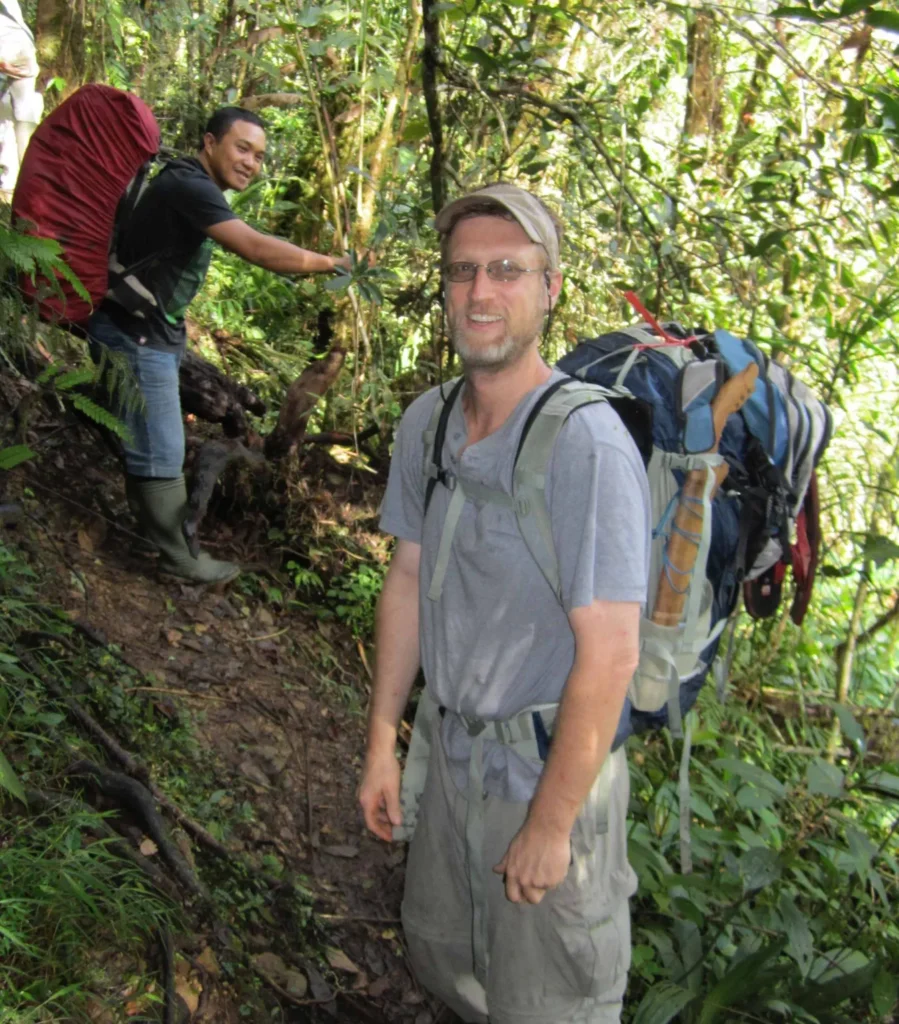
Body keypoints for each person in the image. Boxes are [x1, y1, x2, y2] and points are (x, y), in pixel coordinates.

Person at [359, 182, 652, 1023]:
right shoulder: (429, 421)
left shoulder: (585, 444)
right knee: (444, 960)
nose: (480, 293)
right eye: (461, 272)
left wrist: (552, 826)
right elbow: (408, 580)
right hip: (448, 762)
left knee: (549, 1001)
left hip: (548, 773)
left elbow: (611, 654)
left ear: (549, 288)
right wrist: (384, 742)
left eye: (506, 271)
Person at [87, 106, 351, 584]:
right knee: (163, 450)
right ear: (209, 142)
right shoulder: (189, 186)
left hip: (149, 328)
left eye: (259, 155)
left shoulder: (190, 182)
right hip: (133, 332)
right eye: (242, 148)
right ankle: (178, 558)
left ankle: (161, 539)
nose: (252, 162)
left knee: (157, 443)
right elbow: (255, 248)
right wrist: (330, 262)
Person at [0, 0, 42, 198]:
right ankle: (12, 183)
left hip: (12, 52)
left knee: (21, 120)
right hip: (22, 49)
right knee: (10, 115)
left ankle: (28, 183)